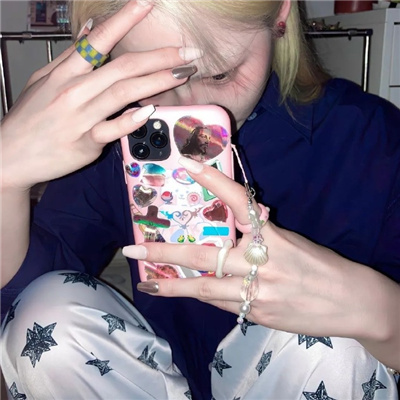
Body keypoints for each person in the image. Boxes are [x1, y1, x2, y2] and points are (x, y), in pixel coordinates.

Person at [1, 0, 399, 399]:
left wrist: (371, 310)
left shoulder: (372, 137)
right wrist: (6, 176)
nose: (186, 113)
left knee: (332, 345)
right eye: (148, 79)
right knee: (42, 318)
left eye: (220, 74)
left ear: (280, 13)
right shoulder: (118, 136)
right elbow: (19, 299)